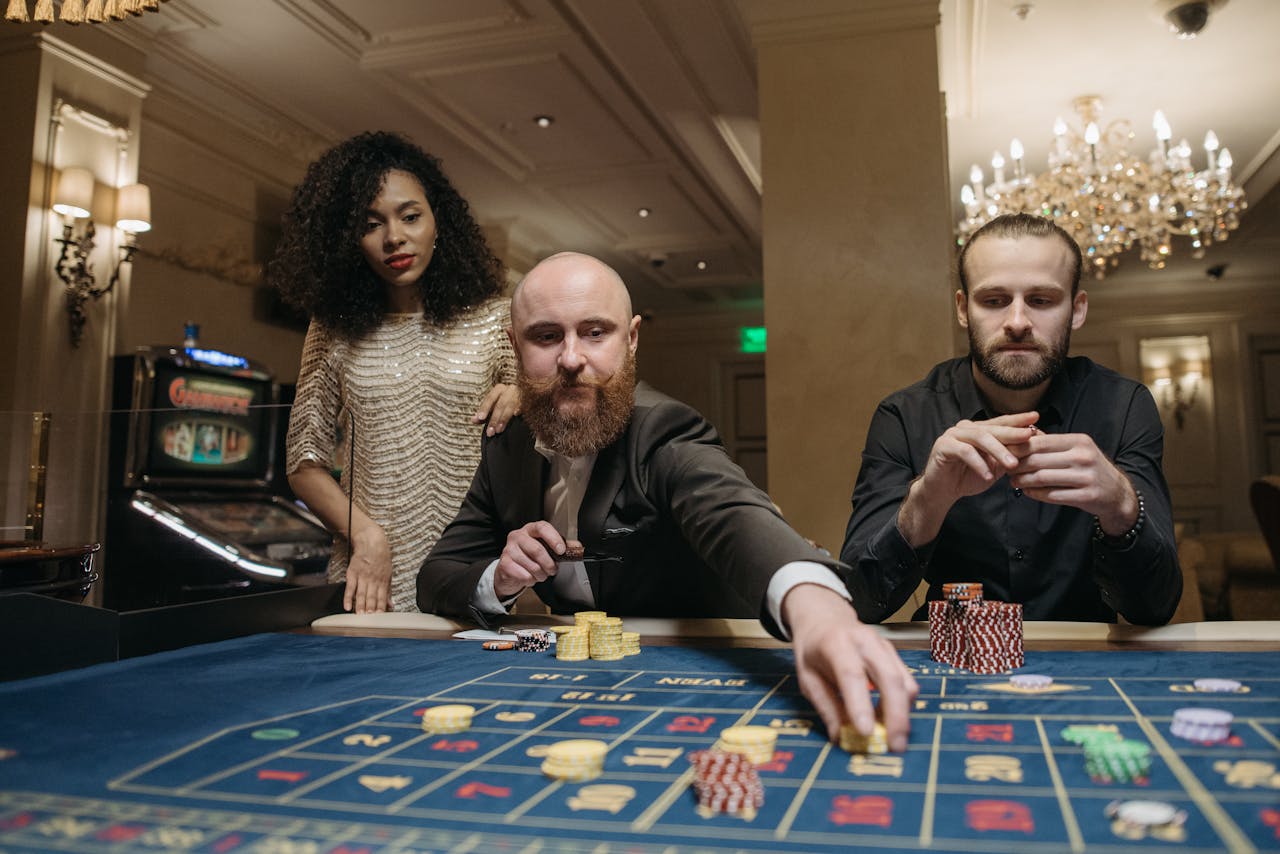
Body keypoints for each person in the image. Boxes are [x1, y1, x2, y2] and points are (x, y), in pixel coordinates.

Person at [418, 251, 918, 748]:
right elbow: (438, 576)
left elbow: (728, 508)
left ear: (631, 339)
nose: (572, 359)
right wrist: (500, 578)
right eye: (547, 336)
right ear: (515, 346)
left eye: (595, 332)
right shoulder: (507, 445)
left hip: (711, 677)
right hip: (578, 694)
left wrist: (815, 608)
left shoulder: (663, 429)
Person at [841, 213, 1181, 625]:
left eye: (1041, 300)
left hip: (1086, 656)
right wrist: (926, 500)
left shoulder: (1124, 406)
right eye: (994, 300)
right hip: (950, 657)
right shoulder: (904, 415)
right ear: (964, 309)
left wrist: (1122, 506)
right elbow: (861, 602)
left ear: (1076, 310)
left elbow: (1155, 608)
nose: (1017, 322)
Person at [271, 131, 519, 614]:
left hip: (479, 568)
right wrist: (367, 536)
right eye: (371, 223)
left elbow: (553, 422)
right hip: (370, 575)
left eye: (410, 216)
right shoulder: (333, 329)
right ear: (349, 239)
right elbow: (303, 464)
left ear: (438, 220)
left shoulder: (497, 320)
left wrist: (527, 393)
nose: (394, 238)